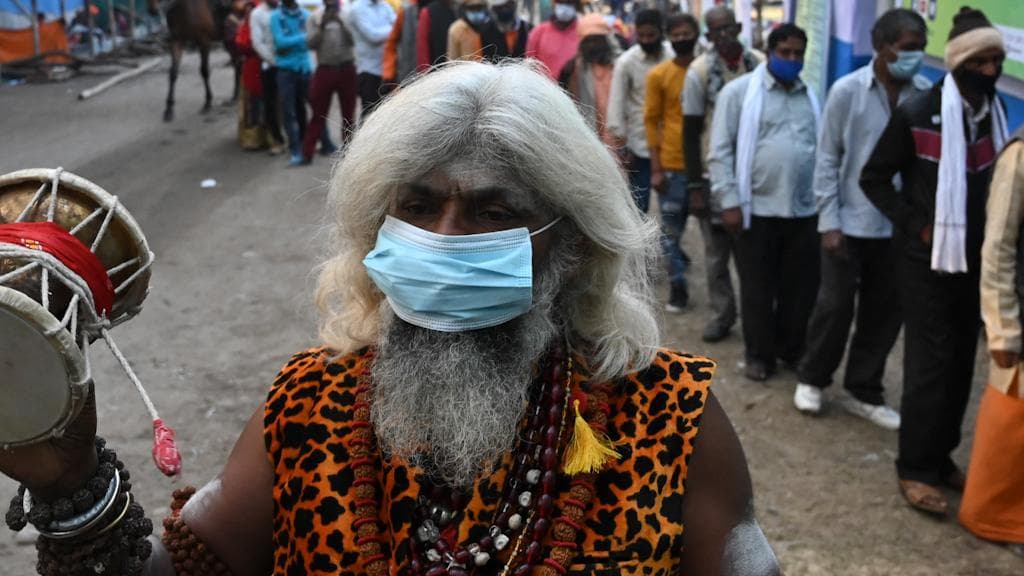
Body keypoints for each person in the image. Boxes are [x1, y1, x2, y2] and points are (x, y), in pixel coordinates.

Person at [0, 61, 782, 576]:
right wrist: (72, 484)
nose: (442, 240)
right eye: (416, 206)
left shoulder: (666, 415)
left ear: (570, 247)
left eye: (490, 210)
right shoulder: (313, 405)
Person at [860, 7, 1008, 516]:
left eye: (998, 61)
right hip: (925, 260)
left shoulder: (997, 118)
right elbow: (874, 178)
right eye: (983, 61)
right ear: (961, 63)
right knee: (929, 363)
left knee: (963, 359)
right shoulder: (918, 112)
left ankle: (941, 456)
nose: (991, 71)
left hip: (975, 261)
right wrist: (918, 224)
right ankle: (914, 468)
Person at [792, 8, 930, 428]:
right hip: (849, 222)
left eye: (922, 49)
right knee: (834, 306)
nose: (916, 57)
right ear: (882, 46)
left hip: (898, 226)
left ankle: (863, 388)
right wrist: (829, 222)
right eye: (908, 49)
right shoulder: (847, 92)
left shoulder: (924, 93)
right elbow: (828, 159)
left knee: (885, 310)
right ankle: (813, 377)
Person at [707, 23, 820, 382]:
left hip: (803, 211)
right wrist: (729, 202)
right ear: (769, 52)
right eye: (784, 52)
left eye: (798, 53)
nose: (792, 60)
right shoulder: (739, 93)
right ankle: (759, 355)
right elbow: (720, 151)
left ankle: (791, 349)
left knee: (799, 290)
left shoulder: (812, 97)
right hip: (755, 211)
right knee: (757, 289)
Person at [682, 5, 761, 343]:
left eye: (729, 28)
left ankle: (757, 316)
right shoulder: (699, 72)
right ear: (709, 36)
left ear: (739, 26)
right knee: (716, 255)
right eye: (717, 31)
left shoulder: (758, 63)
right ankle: (722, 314)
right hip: (712, 171)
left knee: (753, 253)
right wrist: (695, 185)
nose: (725, 35)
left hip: (753, 175)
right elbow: (690, 130)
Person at [965, 114, 1024, 558]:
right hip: (1021, 316)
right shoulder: (1020, 155)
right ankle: (997, 520)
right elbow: (998, 245)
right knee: (1011, 425)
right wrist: (1002, 328)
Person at [643, 12, 699, 313]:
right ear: (669, 38)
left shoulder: (706, 72)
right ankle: (678, 285)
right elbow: (651, 122)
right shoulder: (658, 76)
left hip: (706, 167)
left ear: (696, 33)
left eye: (685, 33)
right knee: (670, 234)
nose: (681, 39)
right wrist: (656, 167)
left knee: (714, 240)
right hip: (673, 165)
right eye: (675, 35)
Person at [607, 8, 673, 214]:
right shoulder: (626, 62)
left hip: (671, 142)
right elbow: (616, 105)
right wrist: (621, 145)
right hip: (639, 144)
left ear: (660, 33)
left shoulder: (673, 57)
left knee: (671, 205)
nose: (646, 39)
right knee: (639, 205)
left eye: (651, 35)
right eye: (641, 35)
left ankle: (670, 244)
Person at [301, 0, 356, 164]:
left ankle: (349, 153)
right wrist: (322, 27)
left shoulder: (347, 15)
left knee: (348, 114)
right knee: (318, 113)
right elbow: (310, 44)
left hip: (347, 68)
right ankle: (307, 154)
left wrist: (342, 24)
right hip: (325, 69)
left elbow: (354, 40)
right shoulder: (314, 17)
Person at [558, 13, 618, 147]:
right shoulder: (575, 68)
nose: (592, 45)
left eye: (596, 40)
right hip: (590, 138)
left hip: (619, 138)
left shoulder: (619, 65)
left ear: (605, 40)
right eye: (588, 41)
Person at [249, 0, 287, 155]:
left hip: (291, 65)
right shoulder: (257, 14)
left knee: (296, 103)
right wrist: (276, 61)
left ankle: (300, 139)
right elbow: (257, 43)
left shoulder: (288, 8)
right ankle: (277, 140)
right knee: (270, 105)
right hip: (271, 65)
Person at [348, 0, 397, 119]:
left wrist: (389, 30)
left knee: (387, 116)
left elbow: (398, 24)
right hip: (368, 71)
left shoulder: (384, 6)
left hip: (388, 70)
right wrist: (392, 30)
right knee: (369, 117)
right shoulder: (357, 9)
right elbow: (373, 36)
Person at [525, 0, 579, 81]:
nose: (564, 7)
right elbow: (529, 64)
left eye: (569, 3)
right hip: (544, 90)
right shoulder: (539, 32)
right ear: (554, 4)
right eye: (560, 3)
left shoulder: (582, 32)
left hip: (574, 90)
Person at [381, 0, 423, 90]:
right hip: (406, 78)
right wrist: (388, 74)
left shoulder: (446, 8)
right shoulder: (406, 11)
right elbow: (391, 44)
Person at [417, 0, 458, 69]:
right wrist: (425, 73)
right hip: (436, 70)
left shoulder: (460, 9)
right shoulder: (428, 12)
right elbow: (423, 49)